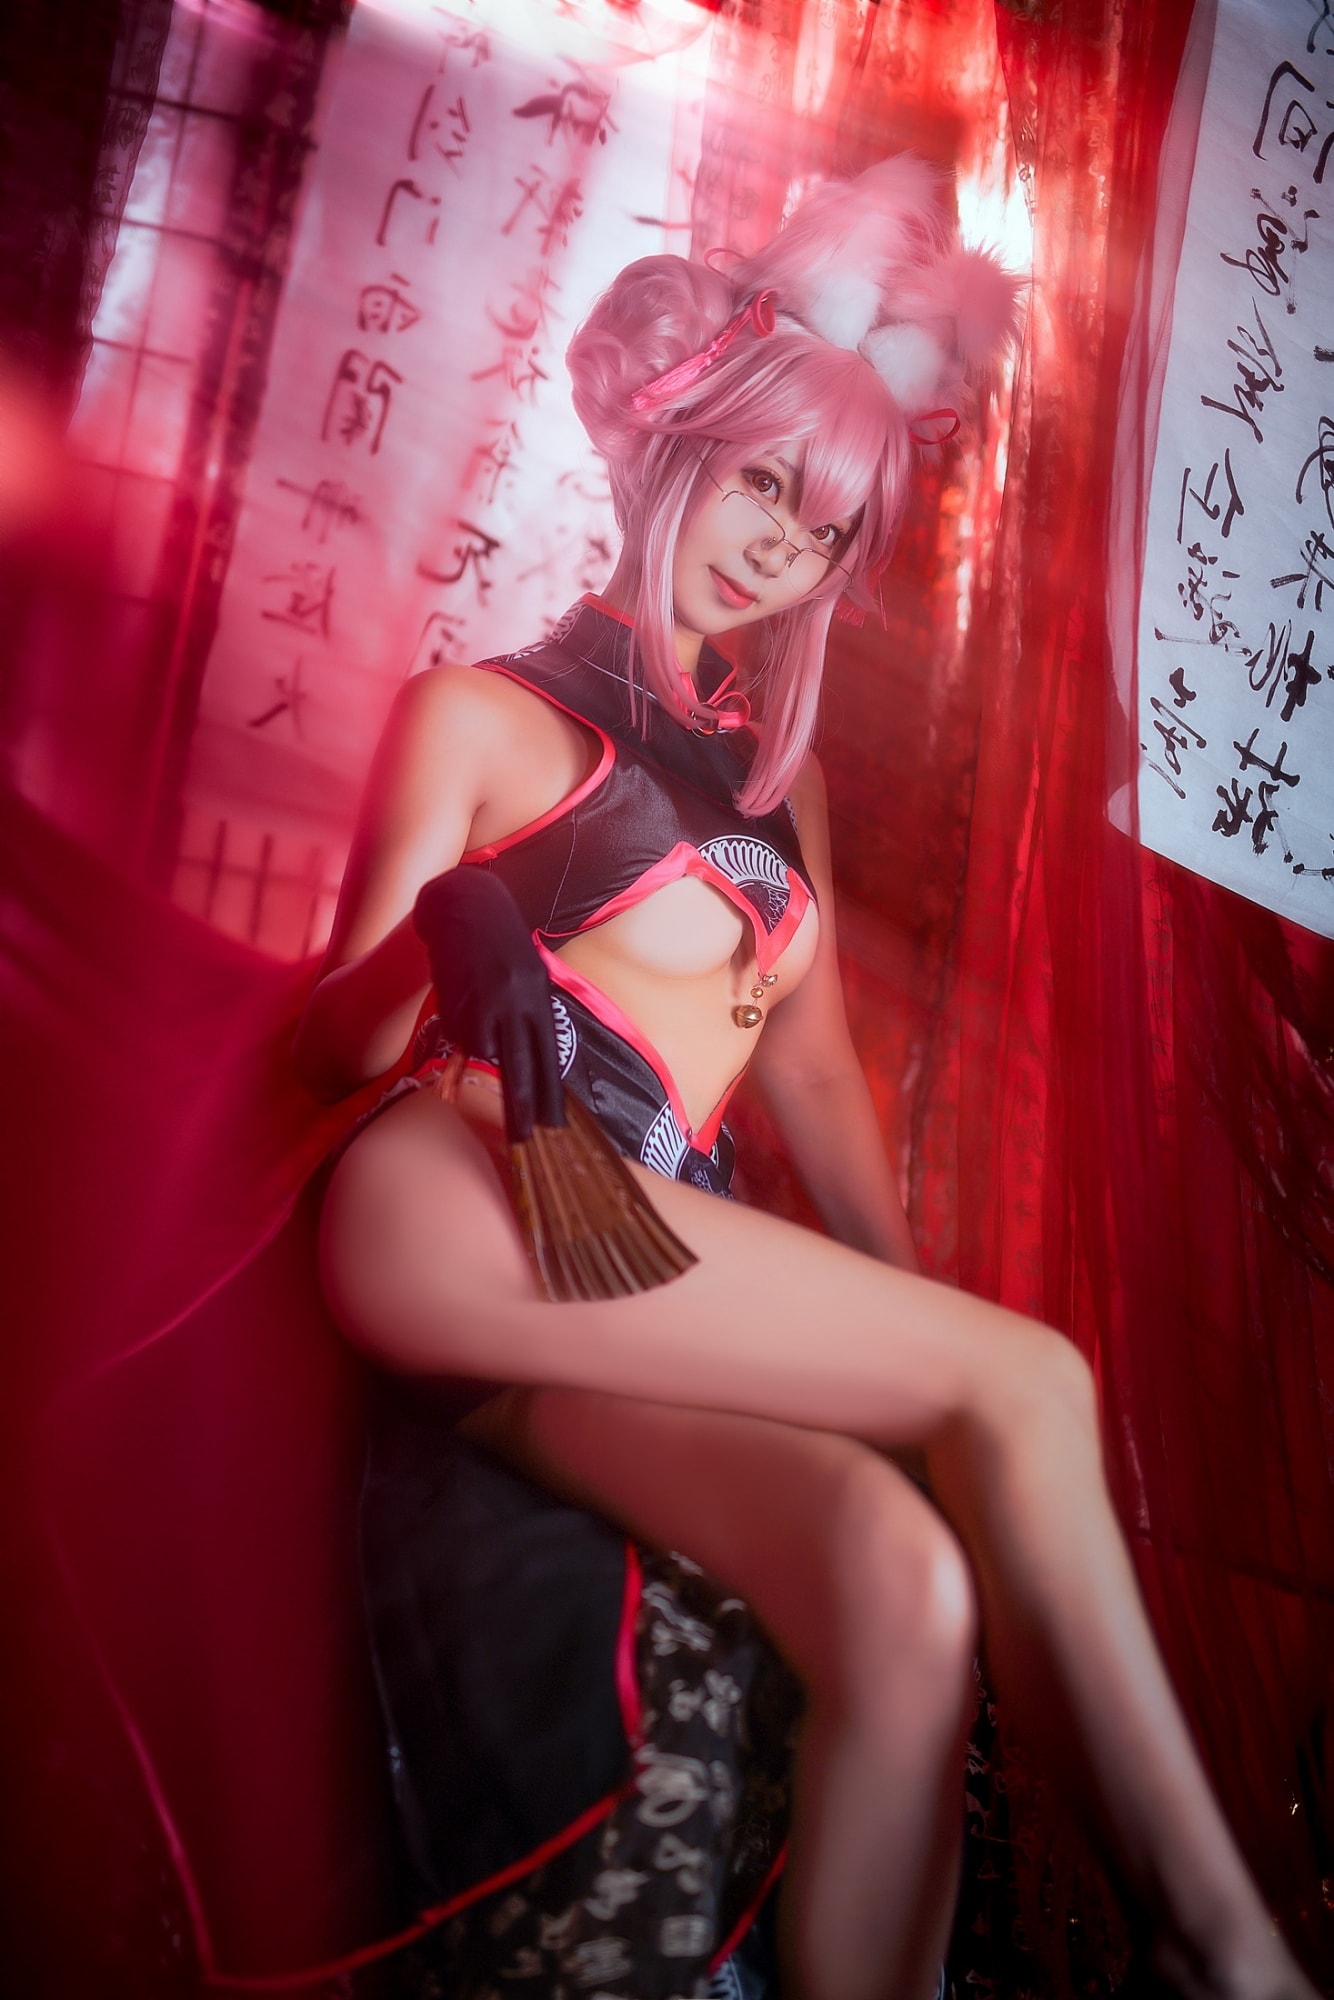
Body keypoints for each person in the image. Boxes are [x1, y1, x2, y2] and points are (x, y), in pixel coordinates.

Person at [292, 158, 1317, 2000]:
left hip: (633, 1247)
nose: (781, 544)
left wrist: (912, 1342)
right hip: (455, 1189)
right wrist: (449, 920)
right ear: (675, 450)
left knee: (897, 1577)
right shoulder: (482, 715)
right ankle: (1222, 1952)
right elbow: (323, 1054)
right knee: (1033, 1375)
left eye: (829, 525)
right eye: (763, 482)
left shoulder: (785, 791)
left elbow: (821, 1090)